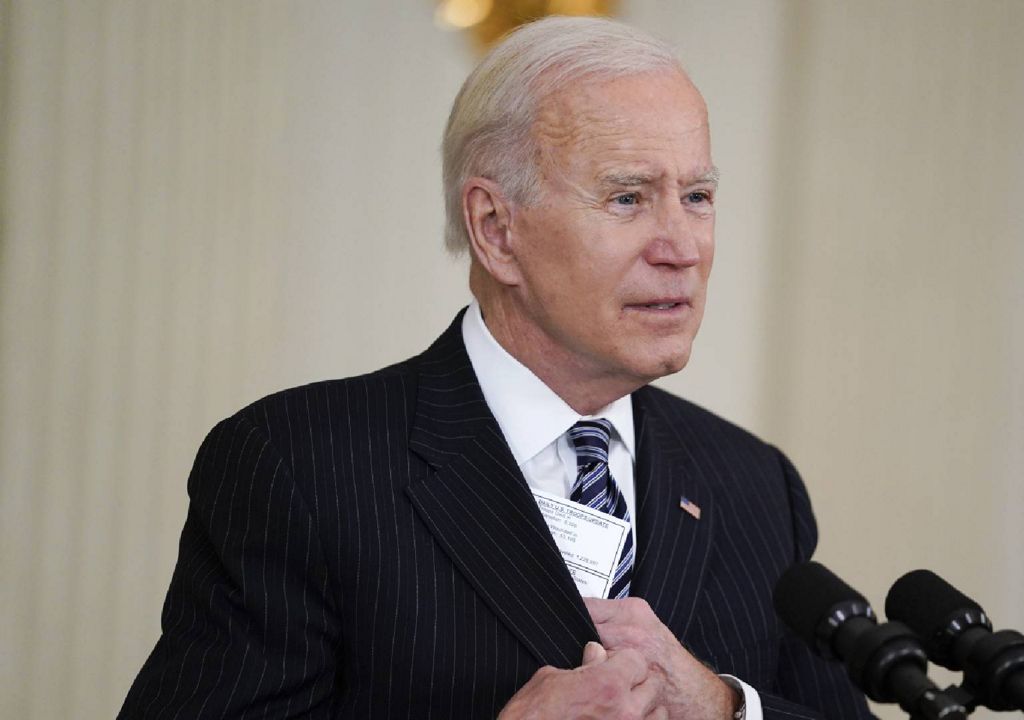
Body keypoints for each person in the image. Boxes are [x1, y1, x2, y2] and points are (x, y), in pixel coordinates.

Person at [119, 16, 875, 720]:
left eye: (699, 196)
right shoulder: (300, 465)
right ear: (495, 229)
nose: (682, 246)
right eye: (627, 197)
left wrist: (720, 705)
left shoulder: (752, 484)